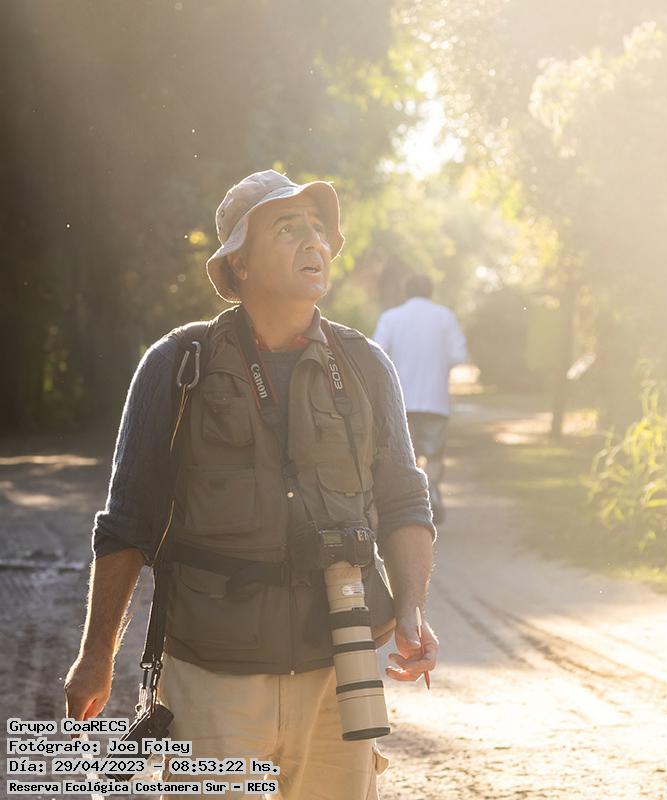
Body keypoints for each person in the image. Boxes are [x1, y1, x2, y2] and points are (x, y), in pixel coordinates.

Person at [64, 170, 439, 800]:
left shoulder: (365, 367)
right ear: (239, 262)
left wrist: (410, 609)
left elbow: (404, 499)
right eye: (287, 229)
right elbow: (127, 520)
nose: (313, 241)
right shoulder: (177, 365)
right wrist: (97, 652)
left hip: (338, 675)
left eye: (317, 227)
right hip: (211, 679)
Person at [372, 275, 468, 524]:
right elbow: (459, 355)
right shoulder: (445, 317)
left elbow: (376, 354)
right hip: (436, 399)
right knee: (434, 454)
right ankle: (432, 491)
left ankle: (409, 506)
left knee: (405, 456)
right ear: (430, 291)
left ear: (405, 291)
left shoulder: (391, 318)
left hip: (399, 401)